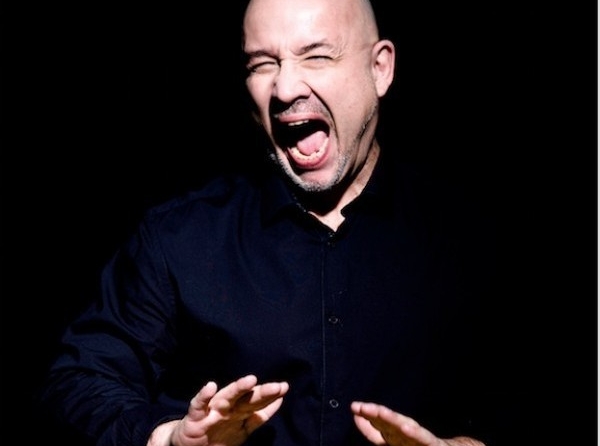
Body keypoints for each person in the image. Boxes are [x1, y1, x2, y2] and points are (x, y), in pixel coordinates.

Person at [39, 0, 502, 444]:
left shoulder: (471, 237)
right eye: (263, 64)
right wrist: (167, 439)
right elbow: (77, 381)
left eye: (316, 56)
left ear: (379, 68)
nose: (284, 89)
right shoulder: (178, 239)